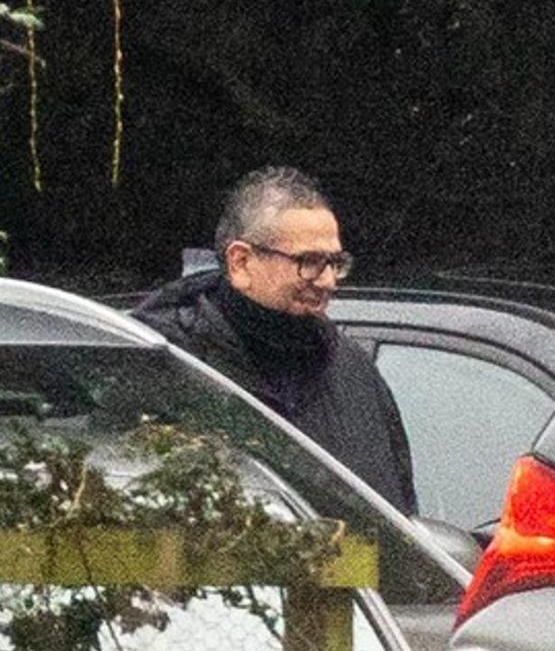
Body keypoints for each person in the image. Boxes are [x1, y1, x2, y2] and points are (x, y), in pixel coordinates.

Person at [133, 167, 419, 513]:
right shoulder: (164, 368)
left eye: (335, 262)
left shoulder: (354, 373)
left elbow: (401, 524)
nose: (328, 281)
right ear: (240, 262)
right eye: (309, 262)